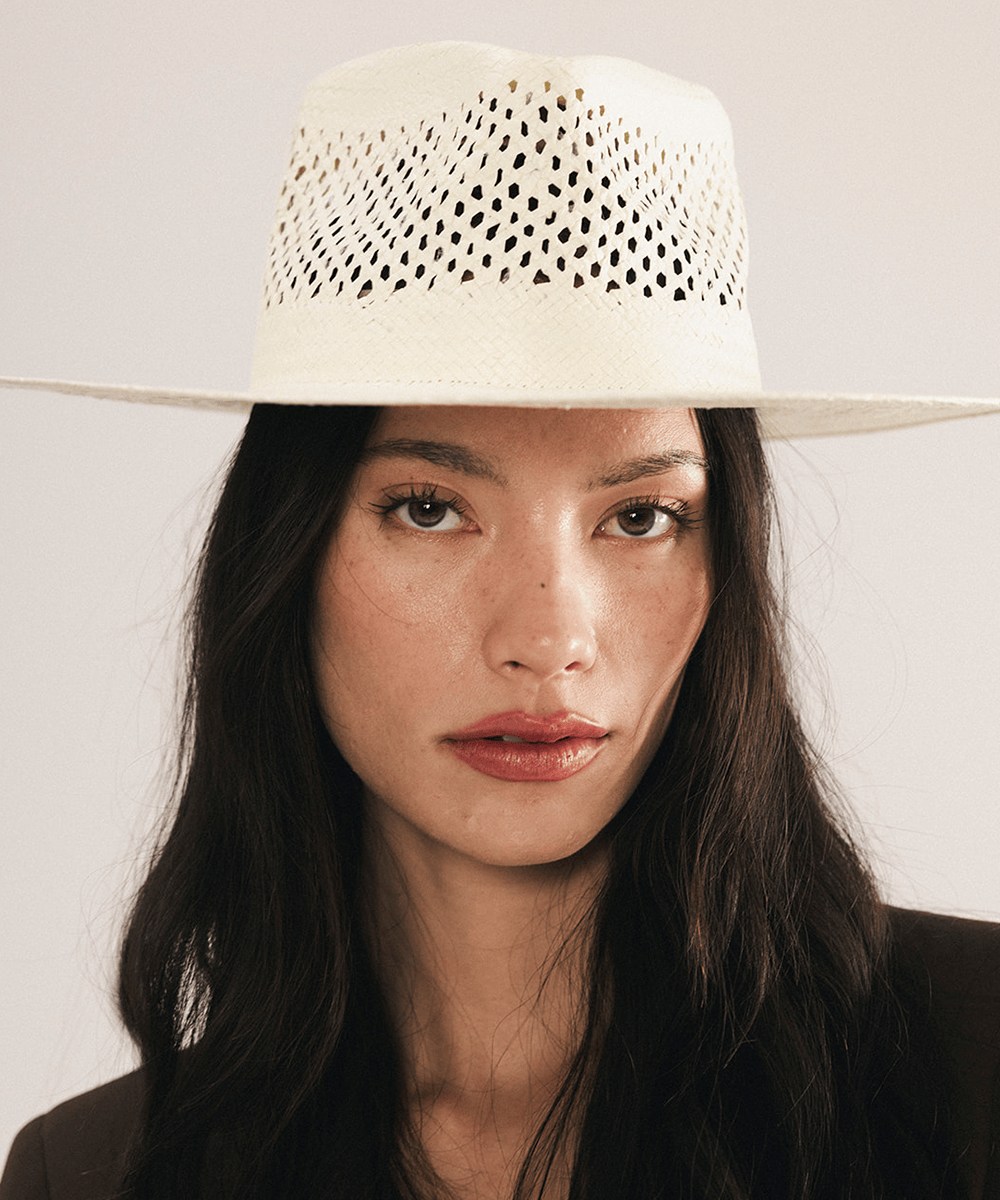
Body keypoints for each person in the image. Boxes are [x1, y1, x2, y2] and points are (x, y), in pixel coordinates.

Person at [1, 41, 998, 1200]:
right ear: (285, 557)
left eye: (639, 517)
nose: (547, 637)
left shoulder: (975, 1074)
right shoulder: (99, 1175)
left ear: (725, 569)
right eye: (430, 509)